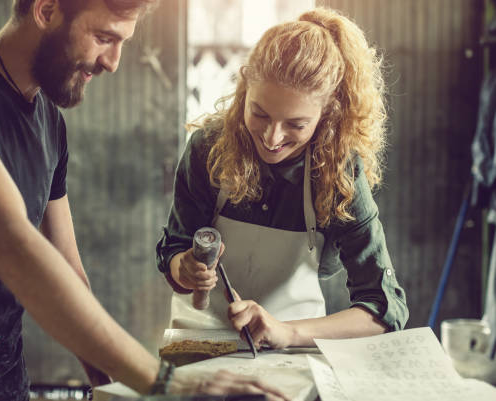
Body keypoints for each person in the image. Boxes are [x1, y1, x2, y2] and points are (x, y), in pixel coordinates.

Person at [0, 0, 289, 400]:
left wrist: (108, 388)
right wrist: (164, 382)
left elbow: (70, 272)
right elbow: (7, 242)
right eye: (103, 37)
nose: (112, 62)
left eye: (122, 43)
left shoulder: (49, 123)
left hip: (2, 386)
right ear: (46, 11)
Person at [156, 7, 409, 349]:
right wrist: (182, 266)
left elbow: (385, 309)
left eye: (296, 124)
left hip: (292, 352)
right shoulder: (208, 147)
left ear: (327, 114)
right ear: (244, 88)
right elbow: (174, 247)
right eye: (259, 113)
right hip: (199, 344)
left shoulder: (337, 171)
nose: (273, 138)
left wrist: (288, 332)